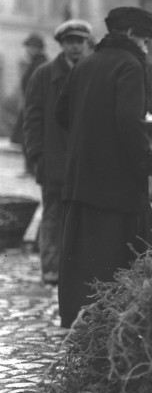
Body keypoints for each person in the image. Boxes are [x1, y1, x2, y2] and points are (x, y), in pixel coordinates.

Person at [55, 7, 152, 329]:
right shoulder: (130, 65)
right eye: (144, 40)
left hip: (82, 178)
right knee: (118, 252)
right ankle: (117, 319)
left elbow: (63, 113)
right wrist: (148, 161)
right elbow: (130, 122)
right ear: (130, 35)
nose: (145, 48)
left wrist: (88, 136)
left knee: (85, 252)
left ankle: (80, 316)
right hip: (116, 184)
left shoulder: (86, 63)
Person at [22, 19, 93, 286]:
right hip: (53, 159)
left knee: (81, 216)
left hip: (84, 161)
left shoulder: (91, 73)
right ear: (61, 44)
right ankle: (51, 268)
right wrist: (37, 155)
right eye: (70, 41)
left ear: (87, 44)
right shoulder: (43, 75)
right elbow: (32, 119)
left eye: (80, 41)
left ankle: (77, 269)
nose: (75, 47)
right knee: (52, 215)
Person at [11, 33, 48, 176]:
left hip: (36, 106)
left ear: (38, 48)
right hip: (30, 105)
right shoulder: (34, 63)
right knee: (27, 137)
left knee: (32, 138)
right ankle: (30, 168)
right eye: (28, 47)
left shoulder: (41, 64)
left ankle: (33, 169)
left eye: (32, 47)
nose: (28, 50)